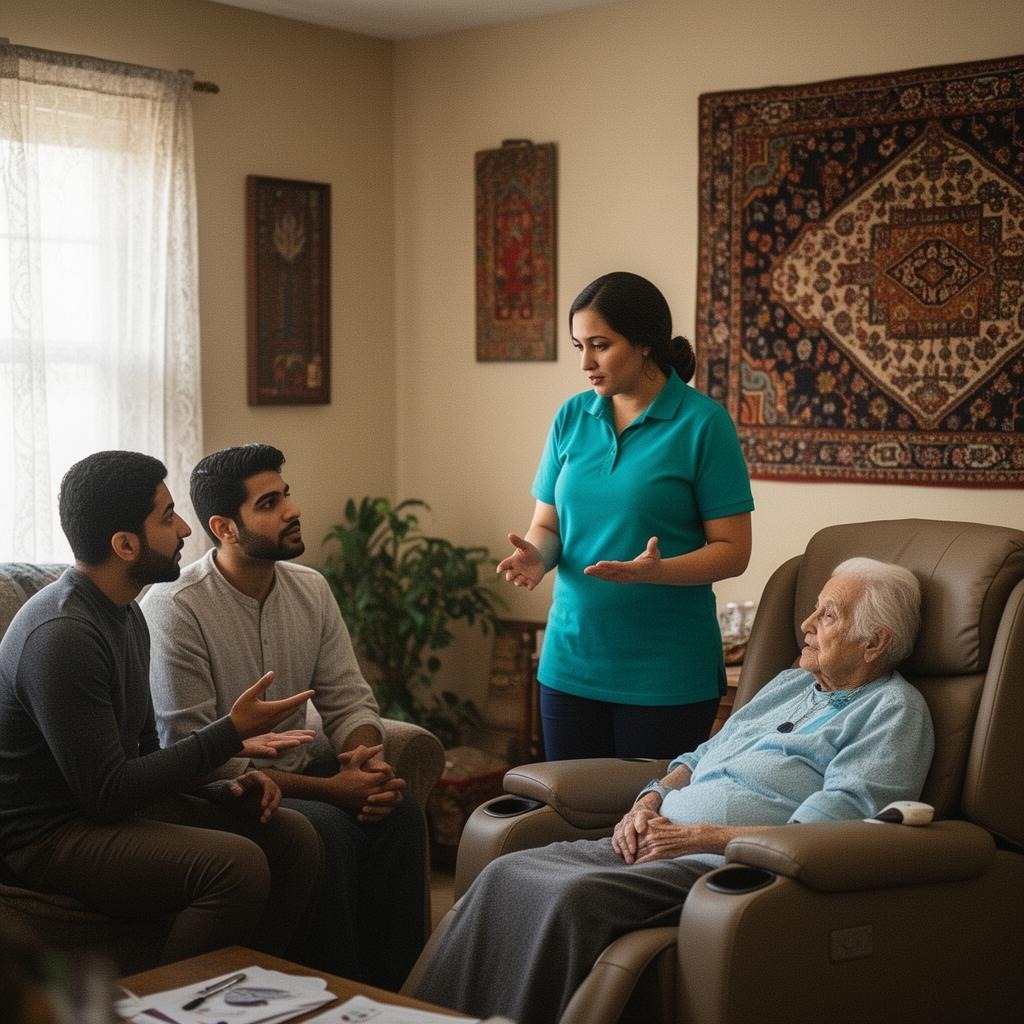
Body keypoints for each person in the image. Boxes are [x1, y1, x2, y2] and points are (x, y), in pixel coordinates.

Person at [415, 557, 935, 1024]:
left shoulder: (892, 711)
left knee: (572, 897)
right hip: (657, 843)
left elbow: (824, 831)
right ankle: (423, 1017)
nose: (805, 625)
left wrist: (698, 838)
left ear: (875, 642)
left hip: (723, 869)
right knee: (507, 871)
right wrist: (647, 801)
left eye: (828, 615)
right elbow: (699, 757)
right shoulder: (792, 684)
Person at [0, 451, 324, 966]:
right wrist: (230, 733)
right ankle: (166, 1008)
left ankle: (251, 996)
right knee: (235, 866)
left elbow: (146, 755)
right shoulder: (63, 634)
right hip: (44, 836)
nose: (185, 530)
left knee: (292, 836)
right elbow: (107, 793)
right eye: (167, 516)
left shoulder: (127, 614)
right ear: (125, 544)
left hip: (101, 810)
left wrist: (224, 789)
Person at [141, 443, 426, 991]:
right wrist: (337, 792)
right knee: (326, 831)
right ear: (224, 527)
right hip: (229, 790)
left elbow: (349, 698)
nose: (292, 510)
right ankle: (335, 997)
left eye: (286, 495)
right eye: (269, 503)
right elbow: (195, 755)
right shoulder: (175, 606)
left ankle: (400, 997)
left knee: (398, 811)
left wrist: (363, 762)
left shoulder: (310, 588)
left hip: (302, 775)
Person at [497, 272, 754, 760]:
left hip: (667, 673)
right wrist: (537, 558)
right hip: (570, 663)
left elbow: (733, 551)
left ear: (644, 344)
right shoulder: (571, 417)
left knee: (643, 828)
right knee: (569, 820)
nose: (585, 363)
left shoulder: (704, 424)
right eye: (578, 346)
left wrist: (657, 572)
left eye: (600, 345)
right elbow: (548, 526)